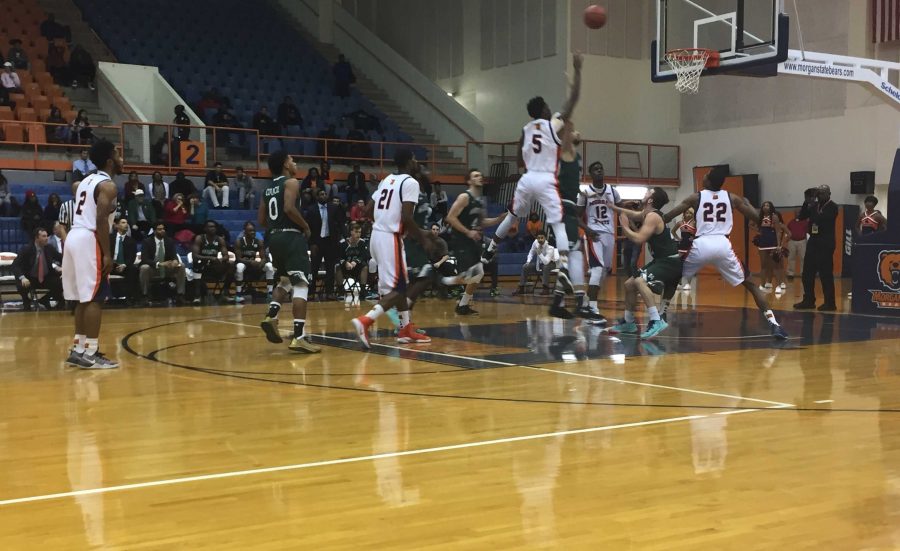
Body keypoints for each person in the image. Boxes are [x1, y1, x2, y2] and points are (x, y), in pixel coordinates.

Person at [483, 52, 583, 297]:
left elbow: (519, 148)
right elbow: (572, 103)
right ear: (544, 109)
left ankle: (491, 247)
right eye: (548, 106)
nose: (551, 108)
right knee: (558, 224)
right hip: (546, 178)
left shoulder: (526, 128)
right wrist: (578, 71)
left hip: (527, 178)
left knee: (512, 215)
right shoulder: (553, 123)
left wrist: (520, 168)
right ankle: (563, 269)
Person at [663, 166, 788, 339]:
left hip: (701, 243)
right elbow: (757, 220)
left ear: (707, 181)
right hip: (722, 244)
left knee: (674, 276)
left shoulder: (696, 197)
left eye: (705, 175)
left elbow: (668, 216)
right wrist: (749, 204)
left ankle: (660, 315)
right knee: (751, 284)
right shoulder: (732, 198)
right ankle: (774, 324)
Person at [351, 149, 436, 348]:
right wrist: (423, 237)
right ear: (408, 162)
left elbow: (368, 210)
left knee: (401, 286)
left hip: (376, 235)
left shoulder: (387, 179)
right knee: (397, 290)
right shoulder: (411, 183)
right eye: (414, 159)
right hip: (390, 238)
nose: (417, 162)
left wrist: (383, 222)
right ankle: (365, 321)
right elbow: (407, 217)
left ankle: (405, 328)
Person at [62, 139, 122, 368]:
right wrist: (107, 253)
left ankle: (78, 349)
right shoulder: (108, 186)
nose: (121, 158)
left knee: (83, 298)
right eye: (118, 153)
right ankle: (91, 353)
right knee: (96, 297)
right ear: (110, 160)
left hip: (74, 236)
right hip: (89, 237)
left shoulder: (84, 181)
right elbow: (99, 219)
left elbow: (76, 191)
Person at [258, 150, 320, 353]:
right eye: (292, 159)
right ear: (285, 163)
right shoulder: (291, 182)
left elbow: (262, 220)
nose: (295, 162)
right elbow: (289, 208)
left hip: (274, 237)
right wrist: (305, 226)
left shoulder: (267, 189)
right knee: (301, 284)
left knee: (284, 281)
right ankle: (299, 336)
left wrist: (277, 227)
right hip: (291, 237)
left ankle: (271, 315)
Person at [607, 188, 683, 338]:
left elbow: (638, 239)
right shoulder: (648, 214)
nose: (645, 192)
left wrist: (625, 226)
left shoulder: (653, 217)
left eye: (648, 192)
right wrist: (613, 207)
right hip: (662, 260)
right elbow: (633, 214)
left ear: (650, 200)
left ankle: (656, 320)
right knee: (629, 284)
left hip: (670, 262)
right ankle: (629, 323)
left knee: (640, 281)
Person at [441, 168, 506, 315]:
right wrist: (468, 232)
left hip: (473, 240)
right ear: (469, 181)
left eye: (481, 176)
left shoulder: (480, 201)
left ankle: (462, 305)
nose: (480, 177)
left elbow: (482, 221)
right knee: (472, 273)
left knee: (478, 274)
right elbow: (450, 217)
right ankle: (443, 281)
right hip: (461, 239)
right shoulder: (464, 197)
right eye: (476, 176)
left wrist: (498, 219)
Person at [549, 123, 595, 319]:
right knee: (568, 256)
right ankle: (563, 302)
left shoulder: (575, 155)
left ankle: (572, 301)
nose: (579, 132)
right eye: (575, 130)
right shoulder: (565, 151)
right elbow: (564, 129)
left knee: (575, 255)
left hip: (568, 208)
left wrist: (579, 192)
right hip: (562, 207)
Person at [793, 185, 839, 311]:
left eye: (823, 193)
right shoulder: (814, 206)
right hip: (813, 242)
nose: (820, 196)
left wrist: (814, 208)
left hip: (826, 243)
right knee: (807, 273)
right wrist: (807, 201)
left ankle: (830, 303)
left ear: (829, 194)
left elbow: (823, 220)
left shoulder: (832, 207)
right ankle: (808, 300)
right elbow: (801, 216)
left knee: (825, 274)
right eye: (819, 193)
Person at [307, 188, 346, 300]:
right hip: (317, 242)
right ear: (317, 197)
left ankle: (329, 292)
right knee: (314, 268)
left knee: (330, 268)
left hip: (330, 242)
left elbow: (340, 223)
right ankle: (311, 291)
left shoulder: (334, 208)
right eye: (321, 194)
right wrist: (311, 243)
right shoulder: (311, 209)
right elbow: (308, 228)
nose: (324, 196)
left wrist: (343, 236)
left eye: (325, 194)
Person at [13, 227, 64, 311]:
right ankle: (26, 302)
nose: (47, 238)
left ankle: (45, 299)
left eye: (47, 236)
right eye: (43, 236)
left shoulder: (49, 248)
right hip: (30, 278)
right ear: (37, 238)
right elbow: (15, 265)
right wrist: (23, 277)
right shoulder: (27, 249)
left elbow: (62, 259)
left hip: (46, 277)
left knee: (62, 281)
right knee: (21, 283)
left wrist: (65, 269)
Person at [140, 222, 186, 305]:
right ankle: (145, 295)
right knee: (144, 268)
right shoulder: (147, 242)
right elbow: (144, 259)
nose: (162, 231)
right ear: (154, 231)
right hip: (153, 269)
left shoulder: (169, 241)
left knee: (181, 266)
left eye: (163, 229)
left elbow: (174, 255)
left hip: (167, 268)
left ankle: (180, 295)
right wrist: (159, 264)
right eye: (159, 229)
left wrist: (175, 261)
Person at [750, 201, 788, 294]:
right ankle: (762, 285)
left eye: (768, 205)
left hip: (773, 244)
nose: (765, 207)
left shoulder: (774, 217)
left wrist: (779, 245)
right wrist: (758, 231)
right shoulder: (759, 217)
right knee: (763, 266)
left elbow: (778, 231)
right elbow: (750, 224)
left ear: (771, 207)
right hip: (763, 244)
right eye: (764, 205)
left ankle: (778, 286)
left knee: (775, 266)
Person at [191, 220, 234, 303]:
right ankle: (197, 296)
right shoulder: (200, 238)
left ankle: (225, 292)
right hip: (202, 266)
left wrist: (221, 259)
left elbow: (226, 256)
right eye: (210, 227)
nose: (213, 228)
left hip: (214, 266)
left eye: (214, 227)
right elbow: (195, 256)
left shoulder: (220, 239)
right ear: (205, 229)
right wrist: (209, 258)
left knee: (231, 264)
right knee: (196, 264)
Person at [234, 221, 274, 303]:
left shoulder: (259, 241)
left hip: (254, 264)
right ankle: (238, 294)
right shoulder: (239, 241)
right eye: (250, 231)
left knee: (269, 266)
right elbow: (238, 258)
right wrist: (250, 262)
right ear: (245, 232)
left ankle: (270, 293)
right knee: (239, 266)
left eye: (254, 231)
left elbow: (263, 258)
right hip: (244, 263)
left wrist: (261, 264)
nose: (253, 232)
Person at [514, 231, 558, 295]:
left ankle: (546, 288)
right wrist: (528, 261)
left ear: (545, 238)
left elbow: (546, 262)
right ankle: (521, 288)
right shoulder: (535, 242)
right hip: (539, 264)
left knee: (545, 267)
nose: (540, 240)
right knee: (525, 266)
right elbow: (531, 252)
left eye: (542, 238)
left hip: (551, 264)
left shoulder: (550, 247)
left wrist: (539, 253)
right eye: (538, 238)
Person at [337, 223, 370, 299]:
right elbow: (338, 257)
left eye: (360, 232)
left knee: (365, 266)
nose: (358, 234)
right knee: (337, 266)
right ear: (351, 232)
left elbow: (365, 255)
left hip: (356, 268)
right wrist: (345, 263)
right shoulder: (343, 243)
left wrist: (356, 261)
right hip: (345, 268)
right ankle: (341, 292)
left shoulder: (362, 242)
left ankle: (363, 291)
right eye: (356, 232)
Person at [110, 217, 139, 304]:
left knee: (133, 269)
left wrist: (124, 265)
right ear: (117, 225)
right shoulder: (109, 238)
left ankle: (130, 298)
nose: (126, 224)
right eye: (123, 222)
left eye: (127, 223)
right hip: (110, 265)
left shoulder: (131, 241)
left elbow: (132, 257)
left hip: (124, 265)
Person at [672, 207, 696, 290]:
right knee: (679, 265)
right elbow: (673, 231)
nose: (688, 214)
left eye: (690, 213)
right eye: (687, 213)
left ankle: (688, 284)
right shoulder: (679, 223)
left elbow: (700, 232)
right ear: (684, 214)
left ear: (693, 214)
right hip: (682, 245)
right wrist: (678, 238)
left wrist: (694, 237)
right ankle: (679, 283)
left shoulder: (695, 223)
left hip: (691, 245)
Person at [785, 210, 808, 279]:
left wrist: (808, 241)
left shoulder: (805, 222)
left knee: (803, 258)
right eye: (796, 213)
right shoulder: (791, 222)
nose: (797, 214)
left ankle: (803, 273)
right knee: (791, 257)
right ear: (794, 214)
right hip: (792, 241)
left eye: (799, 213)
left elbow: (808, 232)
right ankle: (790, 273)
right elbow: (787, 231)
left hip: (802, 241)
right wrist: (787, 239)